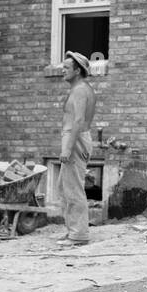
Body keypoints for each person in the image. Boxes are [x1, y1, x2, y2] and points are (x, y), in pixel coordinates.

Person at [56, 50, 97, 247]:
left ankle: (79, 235)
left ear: (78, 71)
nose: (62, 70)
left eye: (66, 68)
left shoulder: (81, 89)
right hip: (74, 138)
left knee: (73, 188)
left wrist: (67, 148)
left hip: (76, 139)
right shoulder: (79, 88)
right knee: (64, 187)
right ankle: (73, 230)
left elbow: (78, 121)